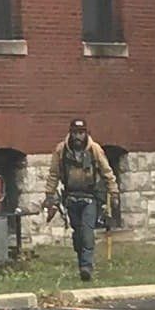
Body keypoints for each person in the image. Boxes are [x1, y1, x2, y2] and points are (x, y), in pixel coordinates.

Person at [43, 117, 116, 282]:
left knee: (87, 231)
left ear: (86, 133)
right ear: (70, 133)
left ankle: (86, 267)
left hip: (90, 198)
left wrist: (114, 192)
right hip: (71, 197)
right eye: (75, 133)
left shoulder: (95, 150)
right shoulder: (61, 150)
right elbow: (54, 174)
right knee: (78, 234)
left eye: (81, 133)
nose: (78, 137)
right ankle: (81, 259)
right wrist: (49, 195)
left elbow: (107, 171)